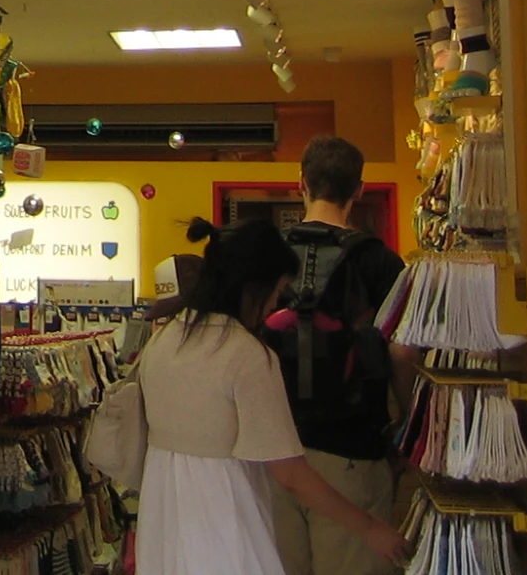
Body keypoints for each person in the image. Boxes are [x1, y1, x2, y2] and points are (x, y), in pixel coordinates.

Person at [135, 217, 408, 575]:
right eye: (278, 291)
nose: (277, 304)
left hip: (164, 514)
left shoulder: (165, 340)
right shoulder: (244, 354)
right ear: (255, 288)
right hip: (226, 516)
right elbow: (291, 473)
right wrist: (370, 528)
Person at [267, 136, 412, 575]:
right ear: (359, 189)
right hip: (353, 452)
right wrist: (405, 425)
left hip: (272, 453)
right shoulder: (382, 263)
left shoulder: (266, 256)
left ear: (302, 183)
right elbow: (402, 352)